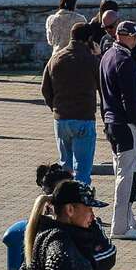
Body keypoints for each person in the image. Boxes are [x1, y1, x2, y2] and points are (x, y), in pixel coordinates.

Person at [99, 20, 136, 241]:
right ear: (132, 37)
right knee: (127, 175)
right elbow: (130, 100)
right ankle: (120, 226)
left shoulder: (107, 56)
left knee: (126, 172)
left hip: (111, 122)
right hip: (126, 124)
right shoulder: (125, 61)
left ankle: (129, 220)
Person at [41, 21, 103, 184]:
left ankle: (64, 201)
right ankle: (80, 203)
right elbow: (104, 87)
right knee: (82, 169)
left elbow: (45, 89)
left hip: (61, 119)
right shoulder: (91, 60)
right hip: (84, 118)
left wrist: (55, 107)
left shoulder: (55, 59)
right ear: (89, 39)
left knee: (65, 168)